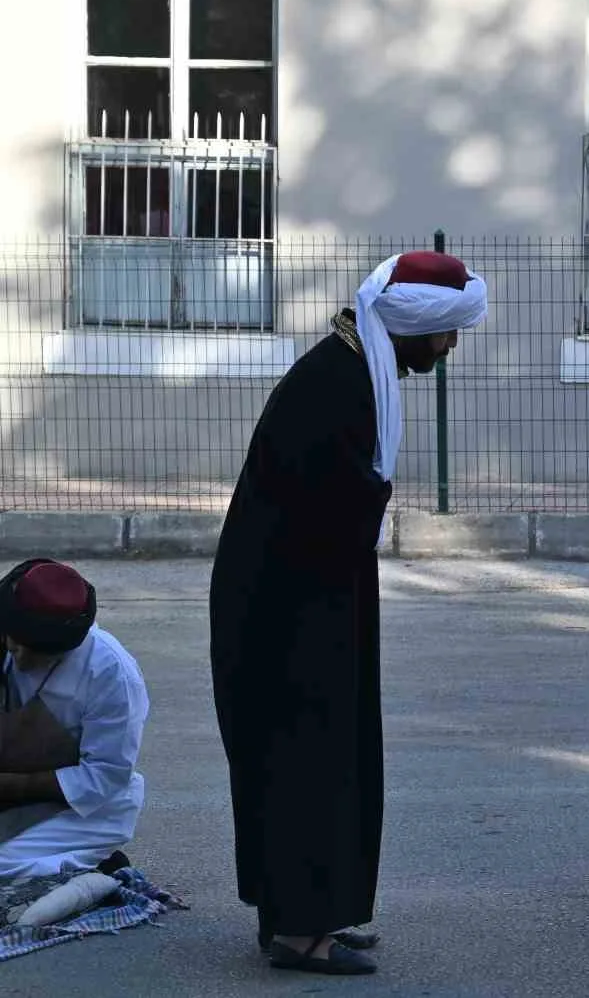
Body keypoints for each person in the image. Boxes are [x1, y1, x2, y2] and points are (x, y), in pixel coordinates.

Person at [209, 250, 488, 975]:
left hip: (311, 592)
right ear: (413, 327)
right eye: (446, 332)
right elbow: (328, 504)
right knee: (307, 757)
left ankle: (307, 913)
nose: (451, 346)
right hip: (288, 607)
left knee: (328, 755)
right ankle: (302, 933)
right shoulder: (337, 382)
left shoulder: (357, 368)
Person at [0, 558, 149, 881]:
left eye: (36, 650)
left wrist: (9, 786)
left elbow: (106, 776)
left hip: (86, 810)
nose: (19, 656)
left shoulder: (111, 672)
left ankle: (93, 863)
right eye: (13, 641)